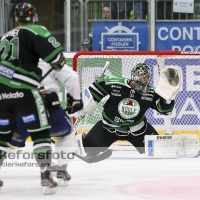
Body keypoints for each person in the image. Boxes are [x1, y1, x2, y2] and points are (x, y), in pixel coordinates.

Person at [0, 2, 82, 194]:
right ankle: (52, 172)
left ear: (16, 18)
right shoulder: (36, 33)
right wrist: (76, 100)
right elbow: (66, 70)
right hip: (31, 97)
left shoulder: (4, 37)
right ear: (34, 17)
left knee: (3, 139)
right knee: (46, 134)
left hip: (3, 95)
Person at [72, 63, 175, 157]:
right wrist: (82, 105)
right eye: (143, 75)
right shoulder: (114, 83)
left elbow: (164, 110)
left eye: (147, 77)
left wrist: (168, 98)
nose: (146, 79)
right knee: (87, 150)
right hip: (108, 128)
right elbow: (94, 90)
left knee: (158, 152)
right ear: (135, 75)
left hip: (138, 130)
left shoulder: (151, 92)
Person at [10, 59, 82, 186]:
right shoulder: (48, 58)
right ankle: (60, 168)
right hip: (48, 106)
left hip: (19, 108)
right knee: (66, 134)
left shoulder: (8, 59)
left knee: (4, 141)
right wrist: (76, 99)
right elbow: (72, 77)